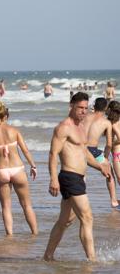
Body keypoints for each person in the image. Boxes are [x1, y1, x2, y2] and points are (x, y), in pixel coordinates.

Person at [44, 92, 112, 262]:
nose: (83, 111)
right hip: (69, 176)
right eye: (79, 108)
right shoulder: (63, 127)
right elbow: (53, 154)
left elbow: (84, 152)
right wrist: (53, 179)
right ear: (71, 106)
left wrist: (100, 166)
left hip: (79, 178)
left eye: (85, 108)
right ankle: (92, 260)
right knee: (87, 217)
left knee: (65, 221)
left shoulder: (81, 127)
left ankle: (48, 256)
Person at [0, 102, 37, 235]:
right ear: (6, 116)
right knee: (27, 205)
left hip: (1, 171)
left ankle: (10, 235)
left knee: (6, 207)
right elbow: (25, 151)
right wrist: (33, 166)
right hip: (17, 169)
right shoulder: (14, 131)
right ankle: (34, 234)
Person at [83, 97, 117, 208]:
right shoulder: (106, 122)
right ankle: (113, 201)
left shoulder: (84, 117)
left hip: (79, 149)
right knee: (109, 174)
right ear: (106, 108)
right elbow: (109, 144)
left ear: (94, 106)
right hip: (93, 151)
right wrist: (106, 158)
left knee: (81, 175)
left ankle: (81, 201)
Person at [108, 101, 120, 204]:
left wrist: (113, 143)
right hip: (116, 153)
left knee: (119, 177)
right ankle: (114, 200)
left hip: (117, 154)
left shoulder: (114, 123)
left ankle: (114, 200)